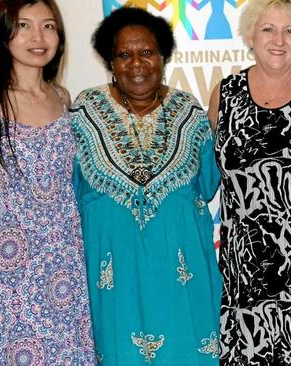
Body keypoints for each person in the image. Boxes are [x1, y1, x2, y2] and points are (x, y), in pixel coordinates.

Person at [70, 7, 221, 365]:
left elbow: (209, 183)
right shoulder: (83, 112)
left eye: (147, 52)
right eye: (124, 54)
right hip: (112, 280)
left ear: (163, 57)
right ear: (110, 60)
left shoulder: (190, 112)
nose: (136, 63)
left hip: (182, 279)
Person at [207, 0, 291, 364]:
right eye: (268, 29)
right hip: (248, 272)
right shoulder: (225, 95)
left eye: (290, 31)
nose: (279, 40)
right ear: (251, 36)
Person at [0, 0, 96, 364]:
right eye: (24, 26)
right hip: (9, 266)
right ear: (4, 33)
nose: (38, 37)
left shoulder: (62, 98)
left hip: (67, 262)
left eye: (48, 26)